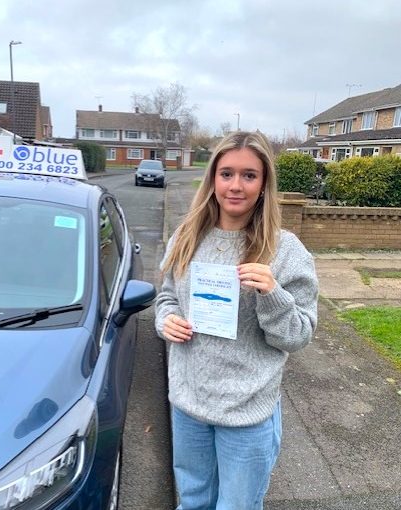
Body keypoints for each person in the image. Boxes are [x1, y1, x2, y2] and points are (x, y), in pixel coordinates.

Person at [155, 131, 319, 510]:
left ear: (263, 185)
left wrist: (272, 294)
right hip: (188, 403)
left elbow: (299, 335)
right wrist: (167, 320)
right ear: (213, 178)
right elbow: (166, 296)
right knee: (194, 501)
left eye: (249, 175)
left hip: (247, 413)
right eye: (226, 173)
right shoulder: (186, 236)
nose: (235, 185)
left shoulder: (284, 250)